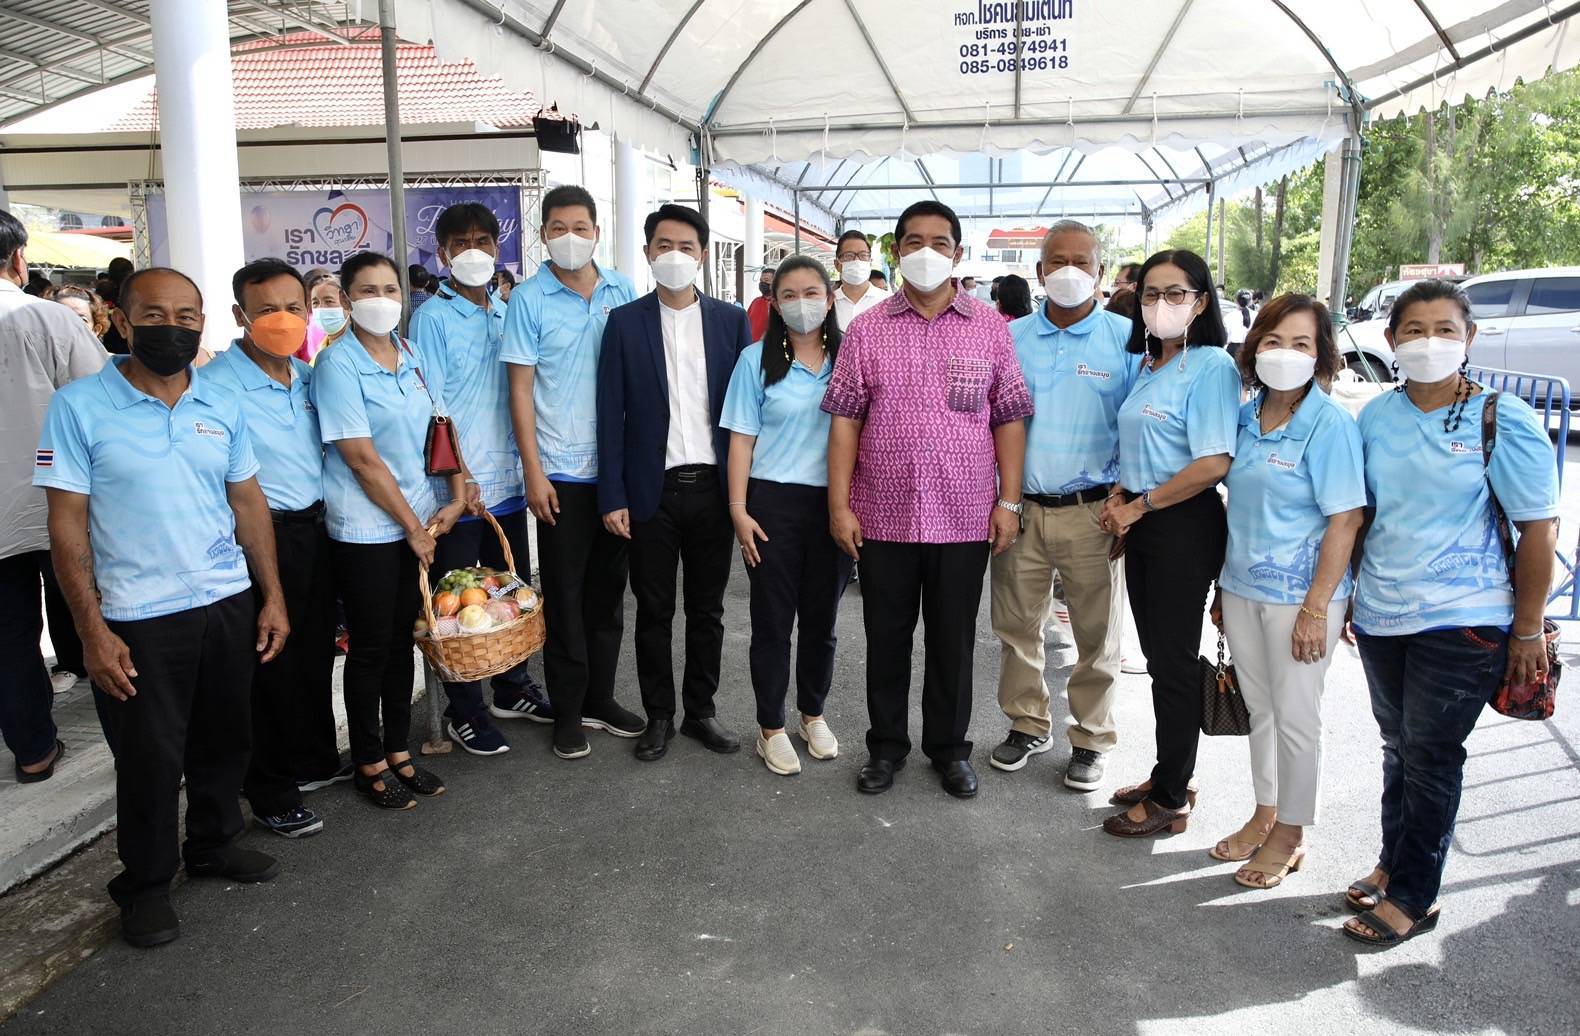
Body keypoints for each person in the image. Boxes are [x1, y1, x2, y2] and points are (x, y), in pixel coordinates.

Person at [35, 266, 289, 948]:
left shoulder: (220, 403)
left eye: (185, 317)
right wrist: (91, 630)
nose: (170, 329)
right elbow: (66, 526)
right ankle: (145, 886)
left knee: (225, 738)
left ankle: (213, 843)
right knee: (149, 758)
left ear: (201, 325)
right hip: (138, 615)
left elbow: (248, 503)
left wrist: (271, 596)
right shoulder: (79, 407)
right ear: (121, 321)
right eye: (153, 315)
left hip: (225, 600)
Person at [1343, 280, 1559, 947]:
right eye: (1414, 329)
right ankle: (1393, 862)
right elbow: (1364, 514)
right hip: (1382, 614)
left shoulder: (1501, 418)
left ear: (1469, 338)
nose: (1428, 341)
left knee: (1432, 754)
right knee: (1398, 747)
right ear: (1391, 339)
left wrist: (1527, 629)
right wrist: (1350, 593)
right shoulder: (1375, 417)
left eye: (1444, 329)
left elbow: (1539, 529)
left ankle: (1414, 895)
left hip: (1464, 620)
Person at [823, 200, 1033, 799]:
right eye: (913, 241)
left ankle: (949, 749)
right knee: (886, 640)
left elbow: (1009, 417)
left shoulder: (989, 327)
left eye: (940, 243)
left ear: (957, 253)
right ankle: (886, 747)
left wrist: (1009, 502)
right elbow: (845, 420)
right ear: (896, 251)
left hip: (963, 515)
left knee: (952, 643)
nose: (926, 253)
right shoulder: (867, 329)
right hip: (882, 514)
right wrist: (839, 506)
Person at [1209, 294, 1365, 888]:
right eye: (1273, 341)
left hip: (1303, 598)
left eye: (1301, 343)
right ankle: (1266, 812)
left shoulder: (1330, 425)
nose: (1285, 353)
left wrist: (1316, 608)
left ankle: (1292, 832)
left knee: (1297, 717)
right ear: (1254, 348)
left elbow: (1345, 520)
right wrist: (1222, 588)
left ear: (1320, 354)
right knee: (1262, 711)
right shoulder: (1245, 417)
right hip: (1241, 588)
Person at [596, 203, 752, 762]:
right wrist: (612, 495)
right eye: (664, 245)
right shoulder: (625, 322)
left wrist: (745, 493)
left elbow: (746, 411)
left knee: (708, 610)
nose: (675, 255)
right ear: (647, 253)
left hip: (713, 488)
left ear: (703, 255)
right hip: (650, 493)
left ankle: (700, 712)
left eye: (686, 247)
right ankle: (659, 714)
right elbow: (609, 412)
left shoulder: (731, 321)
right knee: (654, 610)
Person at [314, 251, 467, 810]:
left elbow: (441, 428)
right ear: (347, 299)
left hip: (419, 522)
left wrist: (457, 494)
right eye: (367, 290)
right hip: (368, 530)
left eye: (390, 289)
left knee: (404, 641)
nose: (381, 300)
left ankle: (399, 749)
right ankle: (368, 759)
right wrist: (412, 528)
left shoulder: (411, 353)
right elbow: (361, 459)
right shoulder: (337, 365)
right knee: (371, 647)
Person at [990, 221, 1139, 791]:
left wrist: (1129, 499)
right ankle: (1027, 723)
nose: (1069, 271)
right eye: (1057, 261)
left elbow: (1140, 426)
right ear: (1039, 271)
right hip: (1020, 507)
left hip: (1094, 511)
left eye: (1082, 261)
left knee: (1096, 634)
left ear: (1100, 272)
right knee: (1016, 626)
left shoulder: (1128, 340)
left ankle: (1091, 736)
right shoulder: (1010, 337)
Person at [1099, 249, 1238, 837]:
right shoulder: (1151, 363)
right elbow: (1142, 447)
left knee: (1175, 664)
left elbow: (1212, 463)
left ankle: (1172, 798)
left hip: (1181, 524)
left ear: (1201, 302)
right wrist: (1120, 496)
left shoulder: (1211, 366)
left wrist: (1140, 505)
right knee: (1160, 660)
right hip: (1145, 522)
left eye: (1175, 293)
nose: (1161, 304)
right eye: (1151, 293)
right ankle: (1168, 773)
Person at [502, 185, 644, 760]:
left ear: (596, 232)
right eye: (558, 228)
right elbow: (519, 390)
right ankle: (566, 710)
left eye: (580, 227)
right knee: (564, 595)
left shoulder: (622, 290)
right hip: (559, 474)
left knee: (608, 596)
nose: (570, 238)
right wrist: (533, 473)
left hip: (615, 474)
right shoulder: (528, 300)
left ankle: (599, 699)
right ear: (542, 236)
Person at [206, 258, 345, 838]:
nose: (283, 319)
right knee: (268, 661)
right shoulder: (215, 387)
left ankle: (312, 758)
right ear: (240, 316)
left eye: (293, 308)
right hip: (260, 535)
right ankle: (269, 788)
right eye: (266, 310)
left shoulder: (309, 377)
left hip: (316, 529)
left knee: (313, 650)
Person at [410, 201, 551, 757]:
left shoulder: (507, 311)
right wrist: (461, 479)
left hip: (510, 483)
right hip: (460, 489)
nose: (474, 252)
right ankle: (465, 710)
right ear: (443, 254)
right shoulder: (432, 318)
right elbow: (433, 407)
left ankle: (512, 687)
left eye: (483, 242)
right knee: (455, 602)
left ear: (499, 248)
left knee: (505, 593)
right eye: (461, 243)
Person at [722, 256, 853, 776]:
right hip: (772, 505)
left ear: (830, 297)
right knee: (773, 624)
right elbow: (741, 440)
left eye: (812, 293)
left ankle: (812, 714)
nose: (802, 304)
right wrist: (738, 510)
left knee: (822, 622)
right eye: (790, 295)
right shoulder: (755, 360)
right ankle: (771, 728)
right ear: (774, 304)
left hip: (834, 506)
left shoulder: (850, 357)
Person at [0, 211, 105, 783]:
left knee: (9, 635)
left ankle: (33, 750)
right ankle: (127, 734)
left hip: (7, 517)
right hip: (62, 499)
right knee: (93, 612)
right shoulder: (47, 318)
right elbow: (101, 401)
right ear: (19, 259)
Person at [832, 230, 889, 331]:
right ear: (837, 264)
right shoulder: (828, 303)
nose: (857, 260)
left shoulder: (888, 301)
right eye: (849, 256)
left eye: (863, 255)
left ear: (870, 262)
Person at [300, 271, 347, 364]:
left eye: (329, 301)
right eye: (315, 303)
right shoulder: (323, 347)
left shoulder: (365, 348)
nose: (321, 308)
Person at [746, 266, 775, 342]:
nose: (762, 283)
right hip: (752, 345)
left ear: (775, 282)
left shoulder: (779, 303)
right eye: (761, 280)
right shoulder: (755, 302)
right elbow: (746, 323)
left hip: (770, 345)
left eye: (766, 280)